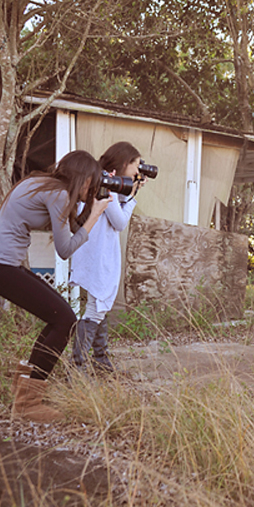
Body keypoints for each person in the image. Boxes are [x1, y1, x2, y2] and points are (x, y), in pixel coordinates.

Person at [0, 150, 110, 422]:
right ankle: (28, 404)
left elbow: (70, 229)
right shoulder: (57, 194)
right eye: (90, 183)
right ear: (81, 179)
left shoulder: (42, 183)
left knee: (59, 318)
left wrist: (88, 208)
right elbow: (65, 249)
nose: (91, 189)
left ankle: (24, 391)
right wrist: (95, 215)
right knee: (66, 320)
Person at [69, 142, 143, 375]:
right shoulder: (105, 185)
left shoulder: (101, 180)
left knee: (99, 307)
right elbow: (119, 222)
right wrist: (131, 198)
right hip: (98, 254)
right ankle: (78, 367)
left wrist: (129, 192)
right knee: (96, 309)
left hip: (92, 251)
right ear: (124, 163)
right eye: (136, 165)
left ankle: (101, 361)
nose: (138, 171)